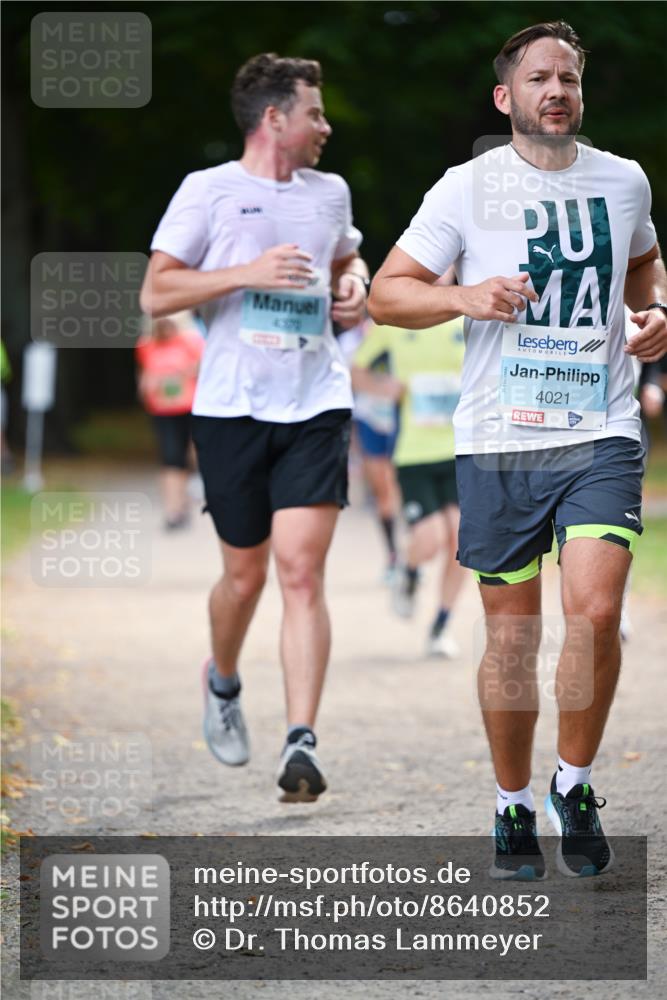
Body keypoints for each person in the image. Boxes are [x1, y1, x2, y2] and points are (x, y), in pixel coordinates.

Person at [369, 21, 667, 877]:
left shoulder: (625, 181)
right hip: (499, 439)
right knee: (510, 640)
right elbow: (389, 295)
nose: (556, 91)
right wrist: (464, 294)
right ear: (506, 98)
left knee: (597, 613)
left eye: (568, 78)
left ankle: (572, 784)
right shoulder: (465, 189)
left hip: (599, 431)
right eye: (539, 78)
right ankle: (511, 806)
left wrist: (654, 316)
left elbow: (644, 267)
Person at [140, 53, 368, 802]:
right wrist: (244, 273)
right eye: (315, 112)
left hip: (315, 401)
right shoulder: (207, 191)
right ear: (275, 119)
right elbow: (157, 289)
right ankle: (224, 678)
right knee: (244, 575)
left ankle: (300, 741)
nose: (325, 126)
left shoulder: (328, 192)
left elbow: (347, 259)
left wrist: (352, 288)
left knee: (300, 571)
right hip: (232, 405)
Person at [351, 292, 467, 658]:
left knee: (460, 544)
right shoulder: (396, 321)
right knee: (430, 539)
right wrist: (386, 389)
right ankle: (410, 571)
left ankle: (440, 626)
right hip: (413, 452)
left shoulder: (468, 316)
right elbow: (356, 371)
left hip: (461, 449)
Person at [135, 312, 204, 530]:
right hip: (162, 409)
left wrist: (185, 372)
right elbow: (144, 375)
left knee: (191, 452)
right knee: (171, 456)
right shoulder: (146, 345)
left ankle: (190, 492)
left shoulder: (192, 341)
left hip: (191, 407)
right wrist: (149, 386)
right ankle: (173, 509)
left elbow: (204, 368)